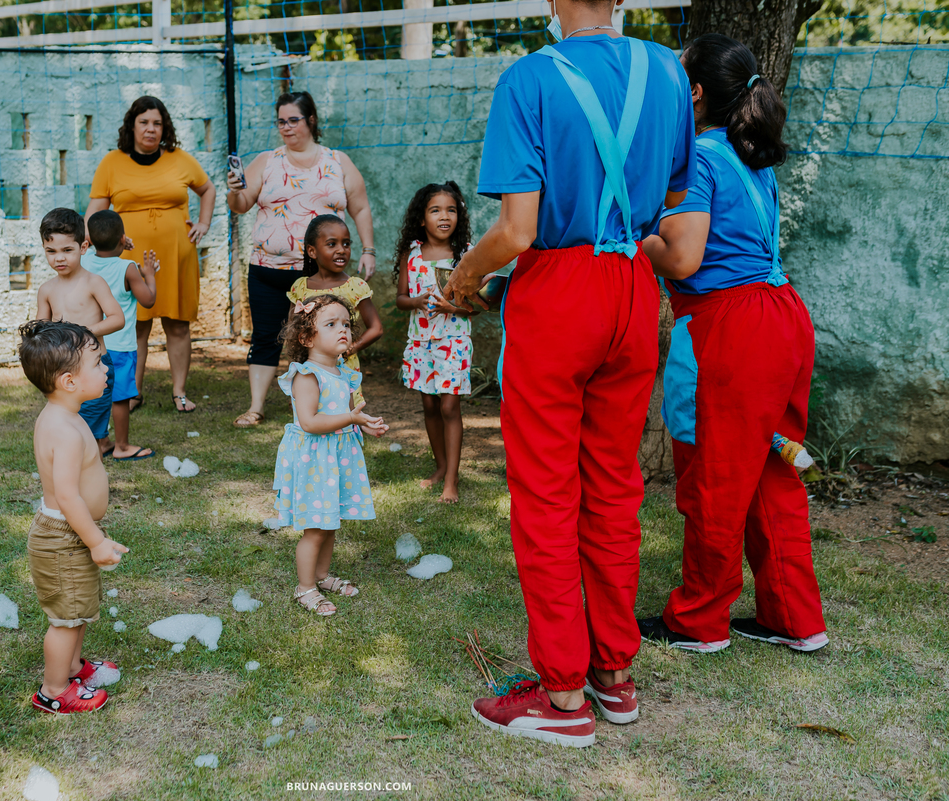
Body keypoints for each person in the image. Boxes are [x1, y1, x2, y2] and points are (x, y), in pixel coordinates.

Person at [442, 0, 696, 747]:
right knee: (614, 485)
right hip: (630, 285)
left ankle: (560, 695)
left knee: (547, 492)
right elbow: (672, 199)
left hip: (557, 288)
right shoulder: (667, 71)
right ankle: (614, 677)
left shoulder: (529, 78)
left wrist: (462, 278)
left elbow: (517, 229)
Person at [637, 34, 828, 654]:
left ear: (693, 93)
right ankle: (794, 617)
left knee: (716, 471)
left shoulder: (698, 155)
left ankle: (698, 621)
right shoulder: (749, 154)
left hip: (731, 327)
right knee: (774, 468)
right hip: (782, 316)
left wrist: (632, 237)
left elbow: (685, 258)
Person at [226, 91, 378, 428]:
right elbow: (241, 204)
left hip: (319, 276)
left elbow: (361, 206)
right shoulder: (267, 160)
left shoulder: (337, 161)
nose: (286, 127)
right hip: (268, 269)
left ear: (310, 121)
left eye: (293, 119)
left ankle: (334, 405)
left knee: (324, 338)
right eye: (280, 121)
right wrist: (235, 189)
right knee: (266, 335)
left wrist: (367, 249)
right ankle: (256, 407)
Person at [18, 319, 129, 714]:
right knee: (65, 617)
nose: (106, 369)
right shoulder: (62, 428)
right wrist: (95, 540)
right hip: (64, 536)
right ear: (68, 381)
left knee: (79, 606)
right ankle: (54, 689)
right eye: (98, 363)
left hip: (71, 533)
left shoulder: (65, 414)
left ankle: (74, 667)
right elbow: (66, 494)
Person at [85, 96, 215, 414]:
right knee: (135, 326)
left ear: (164, 128)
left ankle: (180, 392)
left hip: (176, 254)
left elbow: (208, 189)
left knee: (178, 324)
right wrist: (88, 240)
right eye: (143, 122)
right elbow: (95, 211)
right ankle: (132, 392)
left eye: (157, 123)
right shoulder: (112, 162)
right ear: (132, 126)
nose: (150, 129)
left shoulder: (180, 158)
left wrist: (203, 223)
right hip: (128, 258)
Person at [272, 295, 388, 616]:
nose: (343, 331)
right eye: (332, 324)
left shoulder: (342, 372)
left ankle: (321, 576)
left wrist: (364, 425)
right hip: (315, 460)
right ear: (308, 338)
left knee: (330, 522)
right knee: (315, 527)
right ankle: (305, 586)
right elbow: (309, 422)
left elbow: (347, 412)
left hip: (337, 456)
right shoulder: (307, 374)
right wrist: (351, 419)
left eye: (347, 325)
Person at [394, 182, 475, 504]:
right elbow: (400, 299)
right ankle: (440, 467)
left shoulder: (466, 255)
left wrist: (451, 307)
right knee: (428, 404)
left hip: (454, 340)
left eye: (451, 209)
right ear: (421, 218)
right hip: (420, 342)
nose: (445, 216)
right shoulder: (411, 254)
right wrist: (415, 302)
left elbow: (476, 307)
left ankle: (451, 481)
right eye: (435, 210)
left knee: (448, 405)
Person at [35, 208, 125, 448]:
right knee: (68, 429)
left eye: (67, 250)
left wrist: (83, 333)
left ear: (83, 247)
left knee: (89, 434)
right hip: (63, 371)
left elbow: (117, 318)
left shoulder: (93, 282)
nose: (59, 258)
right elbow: (42, 331)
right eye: (51, 251)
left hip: (94, 368)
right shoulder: (46, 290)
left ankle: (93, 475)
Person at [82, 209, 160, 461]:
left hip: (94, 344)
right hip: (121, 345)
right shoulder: (128, 268)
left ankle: (101, 441)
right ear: (123, 238)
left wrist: (115, 244)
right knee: (121, 398)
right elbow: (148, 301)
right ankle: (122, 446)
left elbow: (102, 255)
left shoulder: (85, 262)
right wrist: (150, 275)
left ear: (89, 240)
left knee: (96, 392)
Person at [286, 214, 384, 408]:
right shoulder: (301, 287)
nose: (341, 250)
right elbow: (293, 329)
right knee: (314, 413)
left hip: (344, 367)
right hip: (311, 367)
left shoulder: (355, 286)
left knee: (347, 414)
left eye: (346, 244)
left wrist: (349, 349)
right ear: (312, 251)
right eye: (332, 244)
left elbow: (376, 328)